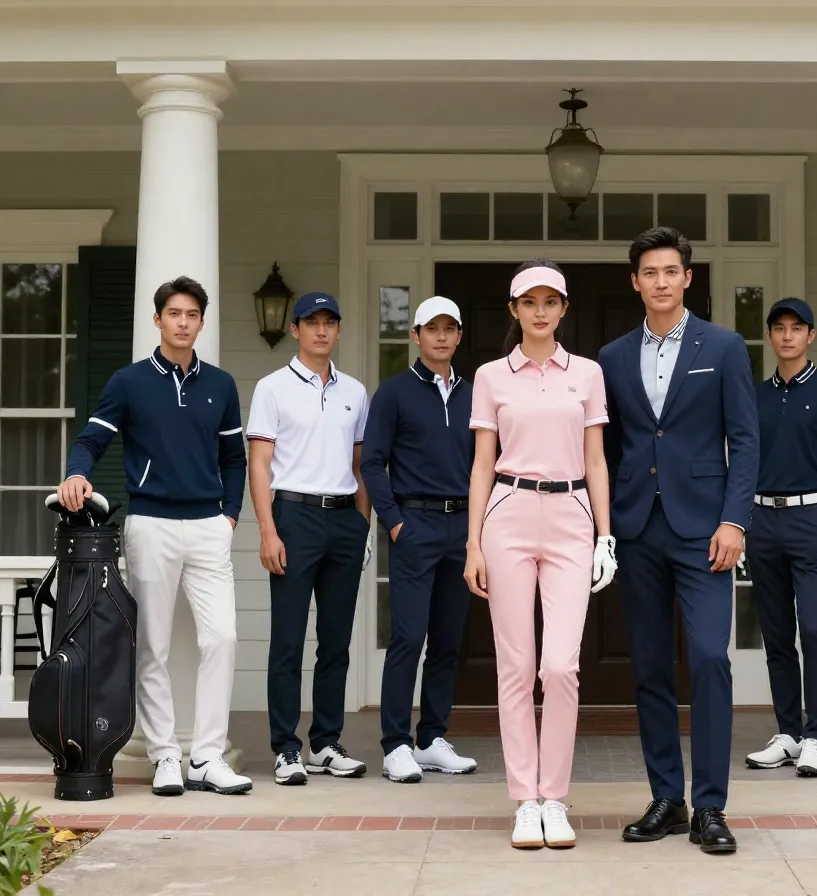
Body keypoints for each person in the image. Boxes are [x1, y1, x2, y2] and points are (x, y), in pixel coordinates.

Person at [57, 275, 251, 796]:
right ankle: (165, 754)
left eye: (192, 315)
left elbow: (234, 459)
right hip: (151, 526)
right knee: (152, 645)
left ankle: (206, 757)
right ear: (158, 319)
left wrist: (230, 516)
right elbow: (90, 441)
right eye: (174, 314)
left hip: (209, 527)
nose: (183, 323)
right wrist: (77, 474)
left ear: (202, 322)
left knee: (222, 638)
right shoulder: (129, 382)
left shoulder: (220, 385)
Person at [599, 226, 757, 855]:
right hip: (638, 528)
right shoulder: (611, 357)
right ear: (635, 282)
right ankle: (667, 798)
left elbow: (745, 440)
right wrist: (608, 525)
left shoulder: (723, 346)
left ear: (688, 278)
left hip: (706, 531)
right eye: (650, 272)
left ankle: (711, 806)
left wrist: (735, 521)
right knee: (650, 666)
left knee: (711, 659)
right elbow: (608, 448)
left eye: (671, 271)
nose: (661, 281)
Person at [464, 260, 616, 850]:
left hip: (572, 516)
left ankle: (554, 796)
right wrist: (473, 542)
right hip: (508, 514)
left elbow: (596, 458)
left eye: (551, 302)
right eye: (530, 302)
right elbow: (482, 463)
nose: (540, 311)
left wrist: (605, 536)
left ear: (564, 309)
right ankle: (525, 801)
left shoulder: (588, 373)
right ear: (514, 309)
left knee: (560, 666)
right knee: (516, 666)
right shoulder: (491, 376)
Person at [246, 291, 372, 786]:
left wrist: (362, 523)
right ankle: (285, 748)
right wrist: (268, 530)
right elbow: (259, 464)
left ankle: (325, 743)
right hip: (293, 517)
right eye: (311, 322)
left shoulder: (355, 392)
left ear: (338, 330)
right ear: (295, 329)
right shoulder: (272, 388)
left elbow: (360, 464)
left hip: (343, 520)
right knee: (288, 640)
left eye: (329, 322)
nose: (321, 330)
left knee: (336, 641)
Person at [361, 295, 479, 783]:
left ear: (459, 335)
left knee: (448, 640)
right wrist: (393, 522)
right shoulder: (394, 394)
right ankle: (396, 744)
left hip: (462, 528)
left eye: (450, 328)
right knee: (409, 637)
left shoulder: (476, 394)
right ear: (416, 336)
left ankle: (430, 739)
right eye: (433, 329)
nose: (442, 337)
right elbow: (372, 462)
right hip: (414, 525)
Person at [744, 298, 817, 778]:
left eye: (796, 328)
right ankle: (788, 733)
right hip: (762, 522)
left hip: (810, 520)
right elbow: (742, 459)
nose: (787, 336)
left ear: (811, 335)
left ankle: (816, 738)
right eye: (779, 328)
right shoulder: (754, 395)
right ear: (770, 336)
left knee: (813, 628)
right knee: (776, 634)